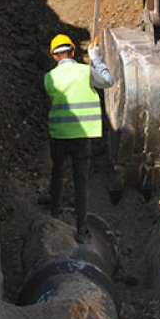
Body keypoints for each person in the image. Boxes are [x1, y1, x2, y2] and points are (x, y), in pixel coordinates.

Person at [44, 33, 113, 243]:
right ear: (73, 52)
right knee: (80, 181)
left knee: (57, 173)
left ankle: (54, 213)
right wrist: (96, 58)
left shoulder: (49, 78)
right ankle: (82, 230)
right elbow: (108, 81)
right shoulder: (85, 72)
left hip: (59, 135)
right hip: (82, 136)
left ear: (54, 56)